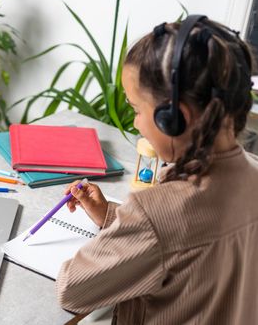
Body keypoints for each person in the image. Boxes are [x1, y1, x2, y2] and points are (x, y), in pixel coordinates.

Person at [56, 16, 258, 324]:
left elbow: (72, 291)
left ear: (174, 118)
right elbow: (184, 248)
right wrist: (113, 217)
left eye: (137, 109)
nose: (136, 123)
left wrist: (132, 226)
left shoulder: (160, 212)